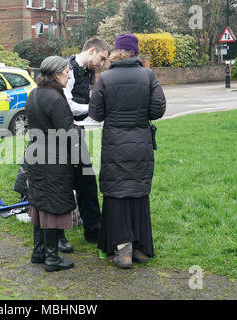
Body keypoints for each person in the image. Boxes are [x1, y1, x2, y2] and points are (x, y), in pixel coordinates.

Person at [88, 34, 166, 269]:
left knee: (117, 193)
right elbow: (158, 110)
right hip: (141, 142)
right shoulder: (148, 75)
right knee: (138, 192)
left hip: (115, 144)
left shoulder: (105, 78)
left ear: (116, 52)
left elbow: (96, 114)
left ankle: (123, 250)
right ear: (135, 52)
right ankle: (141, 248)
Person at [25, 56, 83, 272]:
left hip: (36, 155)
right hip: (54, 159)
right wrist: (78, 129)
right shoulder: (56, 99)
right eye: (67, 71)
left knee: (40, 203)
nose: (69, 75)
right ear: (57, 74)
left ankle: (38, 252)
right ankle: (51, 258)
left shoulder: (34, 94)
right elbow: (66, 133)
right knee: (53, 206)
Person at [57, 38, 111, 251]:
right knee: (63, 183)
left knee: (87, 182)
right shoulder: (67, 68)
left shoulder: (86, 71)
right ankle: (59, 233)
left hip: (76, 132)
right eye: (102, 58)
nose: (102, 63)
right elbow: (66, 103)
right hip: (60, 133)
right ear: (92, 50)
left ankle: (93, 230)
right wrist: (92, 107)